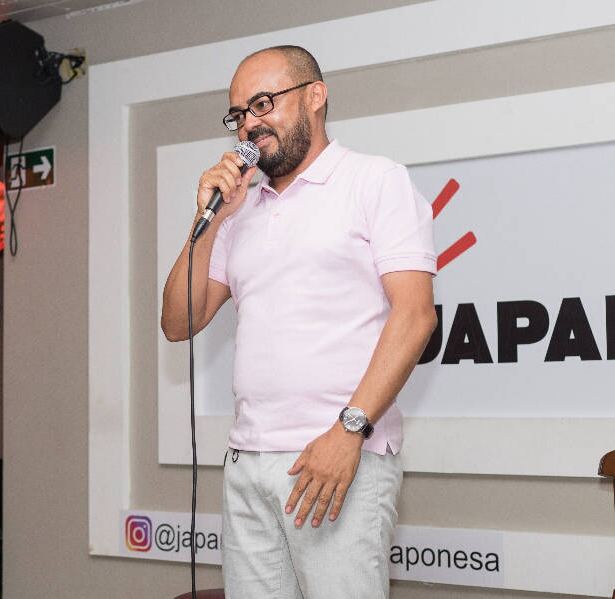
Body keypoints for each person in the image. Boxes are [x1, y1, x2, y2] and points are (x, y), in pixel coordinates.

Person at [160, 45, 437, 598]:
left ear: (315, 96)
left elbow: (415, 315)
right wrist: (206, 217)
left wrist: (349, 431)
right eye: (238, 113)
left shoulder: (374, 180)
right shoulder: (239, 209)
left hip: (335, 456)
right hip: (247, 461)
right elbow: (177, 321)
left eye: (262, 103)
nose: (249, 123)